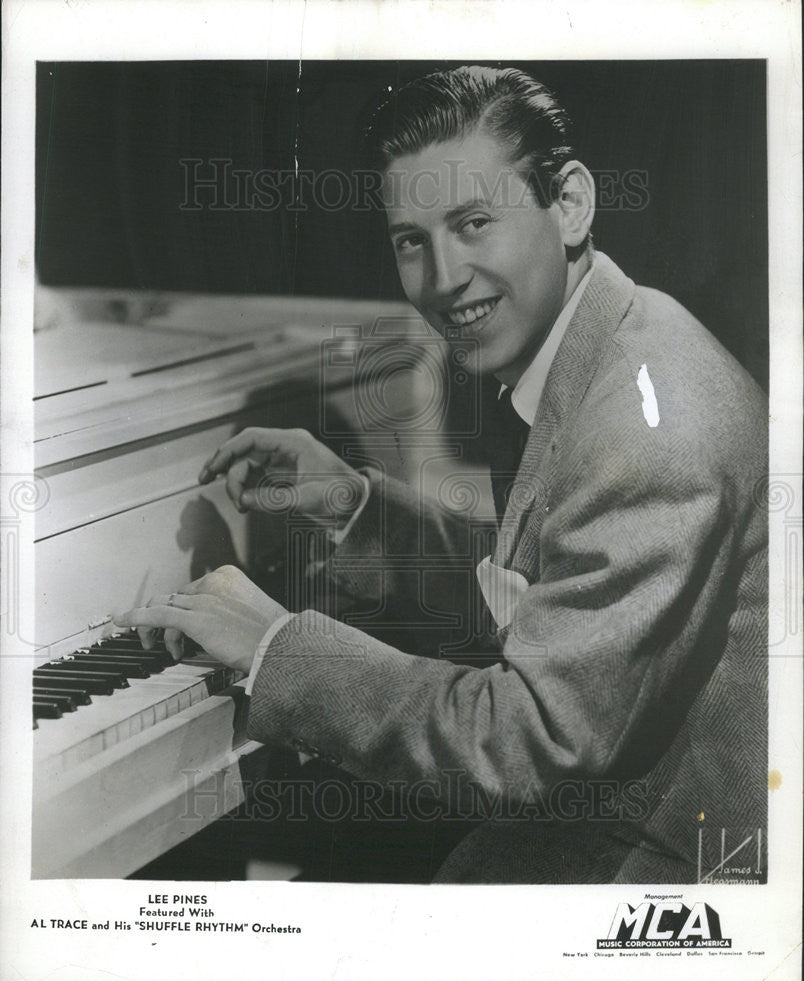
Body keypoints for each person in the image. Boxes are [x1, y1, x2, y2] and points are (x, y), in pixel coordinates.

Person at [117, 66, 768, 883]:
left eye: (473, 223)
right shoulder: (607, 344)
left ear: (569, 203)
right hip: (613, 818)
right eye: (410, 241)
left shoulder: (649, 430)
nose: (442, 277)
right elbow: (555, 592)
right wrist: (359, 508)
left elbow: (530, 741)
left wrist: (278, 646)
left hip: (662, 870)